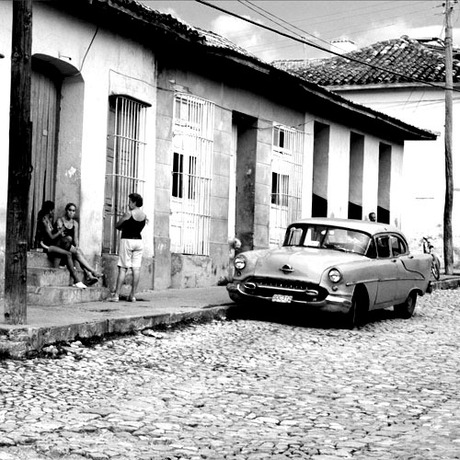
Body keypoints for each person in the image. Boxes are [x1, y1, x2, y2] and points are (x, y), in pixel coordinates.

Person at [35, 201, 87, 289]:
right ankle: (77, 280)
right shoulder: (44, 220)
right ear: (49, 210)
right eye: (53, 210)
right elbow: (51, 237)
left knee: (69, 246)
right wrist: (60, 231)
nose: (54, 212)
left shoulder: (49, 220)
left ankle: (78, 277)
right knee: (68, 253)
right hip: (45, 246)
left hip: (51, 244)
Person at [110, 193, 147, 302]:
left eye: (130, 201)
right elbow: (138, 228)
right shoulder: (144, 215)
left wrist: (123, 223)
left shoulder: (128, 214)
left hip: (127, 240)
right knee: (136, 268)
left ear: (134, 202)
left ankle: (116, 295)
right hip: (139, 241)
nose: (128, 204)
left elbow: (117, 225)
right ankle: (133, 295)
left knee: (123, 268)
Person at [55, 202, 103, 286]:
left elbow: (76, 238)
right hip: (61, 246)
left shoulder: (75, 223)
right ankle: (92, 272)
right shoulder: (60, 220)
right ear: (66, 210)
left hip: (70, 247)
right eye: (70, 210)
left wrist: (76, 246)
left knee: (78, 251)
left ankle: (89, 274)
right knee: (75, 250)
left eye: (73, 211)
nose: (71, 212)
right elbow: (61, 236)